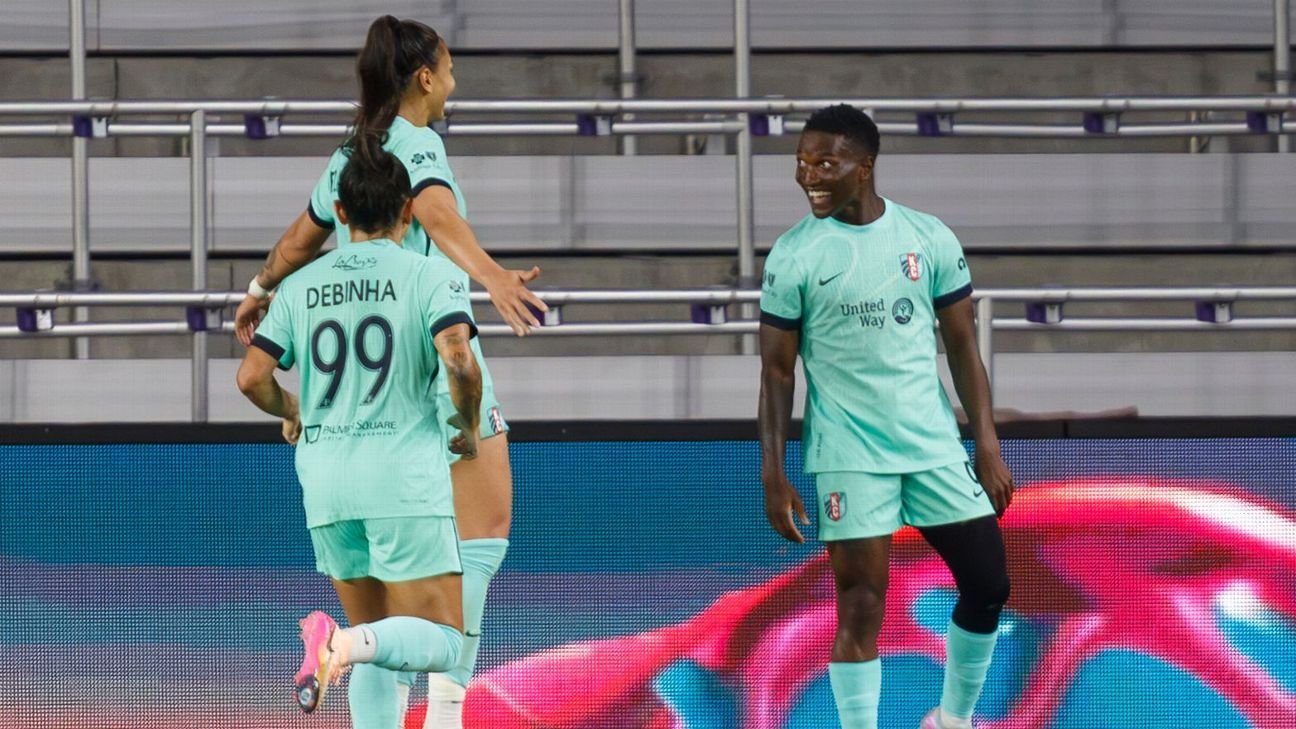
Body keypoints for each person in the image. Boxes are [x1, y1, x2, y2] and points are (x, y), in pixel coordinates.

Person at [232, 16, 525, 727]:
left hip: (341, 432)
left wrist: (259, 289)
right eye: (448, 69)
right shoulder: (417, 144)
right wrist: (491, 275)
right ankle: (448, 715)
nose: (453, 81)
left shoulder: (348, 151)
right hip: (427, 363)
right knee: (482, 539)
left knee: (378, 607)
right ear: (425, 77)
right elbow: (436, 213)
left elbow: (300, 239)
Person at [757, 104, 1014, 729]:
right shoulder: (793, 256)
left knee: (989, 586)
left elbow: (962, 348)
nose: (808, 176)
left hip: (932, 447)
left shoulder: (927, 237)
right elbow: (777, 373)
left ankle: (952, 720)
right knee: (861, 604)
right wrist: (773, 472)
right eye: (801, 163)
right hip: (850, 454)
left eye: (825, 163)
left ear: (865, 167)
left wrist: (986, 444)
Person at [236, 146, 481, 728]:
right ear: (408, 213)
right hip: (402, 482)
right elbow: (460, 361)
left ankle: (344, 644)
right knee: (445, 641)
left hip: (328, 486)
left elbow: (250, 377)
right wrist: (468, 426)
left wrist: (292, 409)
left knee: (378, 639)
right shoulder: (431, 275)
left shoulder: (300, 285)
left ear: (340, 212)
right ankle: (339, 644)